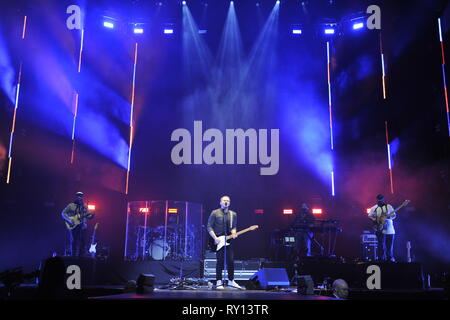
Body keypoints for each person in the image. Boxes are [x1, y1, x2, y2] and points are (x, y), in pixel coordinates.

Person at [207, 195, 242, 290]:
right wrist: (215, 237)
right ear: (220, 202)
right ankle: (219, 281)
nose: (226, 202)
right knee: (220, 261)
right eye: (224, 200)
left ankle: (231, 280)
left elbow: (234, 227)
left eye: (228, 201)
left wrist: (234, 233)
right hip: (218, 240)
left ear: (229, 203)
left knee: (230, 261)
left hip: (229, 240)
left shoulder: (233, 214)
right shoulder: (215, 213)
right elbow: (209, 226)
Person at [61, 192, 94, 257]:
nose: (80, 197)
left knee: (83, 241)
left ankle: (81, 256)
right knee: (74, 240)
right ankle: (73, 256)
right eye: (78, 196)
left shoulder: (84, 206)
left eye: (81, 196)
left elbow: (88, 215)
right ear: (76, 197)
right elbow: (63, 213)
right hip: (73, 226)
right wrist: (69, 220)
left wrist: (91, 215)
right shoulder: (71, 205)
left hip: (82, 226)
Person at [368, 194, 396, 262]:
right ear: (376, 200)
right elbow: (369, 216)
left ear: (383, 200)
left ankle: (390, 259)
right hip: (379, 229)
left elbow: (394, 215)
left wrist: (390, 217)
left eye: (381, 200)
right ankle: (381, 260)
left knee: (389, 246)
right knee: (381, 245)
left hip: (390, 230)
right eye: (378, 201)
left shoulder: (389, 207)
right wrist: (375, 220)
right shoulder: (374, 208)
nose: (380, 202)